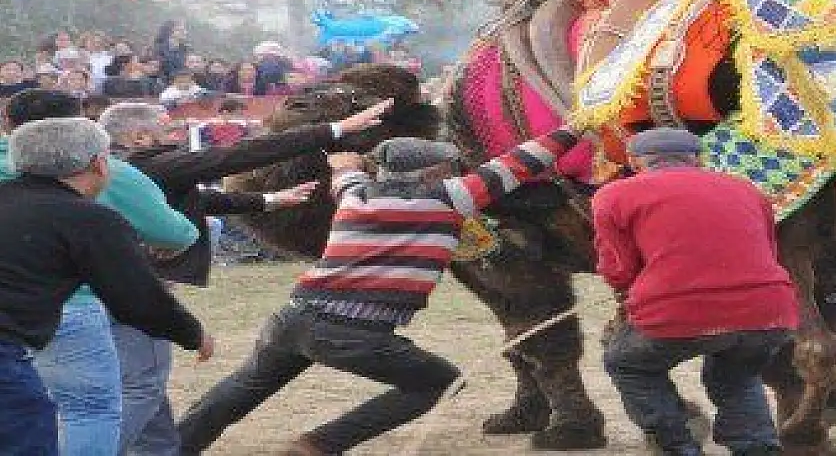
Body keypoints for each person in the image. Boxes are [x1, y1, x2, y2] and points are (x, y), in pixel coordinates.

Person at [176, 124, 583, 455]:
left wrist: (341, 161)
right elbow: (522, 162)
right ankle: (320, 445)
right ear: (428, 173)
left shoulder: (355, 196)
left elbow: (344, 174)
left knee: (239, 391)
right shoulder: (448, 198)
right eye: (444, 165)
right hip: (351, 332)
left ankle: (173, 447)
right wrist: (575, 128)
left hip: (294, 317)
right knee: (440, 382)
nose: (451, 169)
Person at [99, 98, 396, 454]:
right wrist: (335, 129)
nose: (176, 132)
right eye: (167, 127)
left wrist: (269, 200)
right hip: (135, 291)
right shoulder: (156, 165)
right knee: (142, 387)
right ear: (140, 137)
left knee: (145, 382)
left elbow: (197, 200)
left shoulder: (123, 169)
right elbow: (239, 155)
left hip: (115, 287)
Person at [0, 89, 200, 456]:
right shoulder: (88, 216)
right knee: (75, 412)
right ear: (98, 164)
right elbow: (138, 298)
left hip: (24, 338)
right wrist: (193, 334)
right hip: (35, 335)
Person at [593, 127, 799, 456]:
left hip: (677, 312)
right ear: (699, 159)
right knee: (738, 377)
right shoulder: (746, 189)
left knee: (627, 363)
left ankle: (678, 446)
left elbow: (618, 269)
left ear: (634, 162)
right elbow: (769, 251)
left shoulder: (614, 195)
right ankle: (758, 447)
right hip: (769, 310)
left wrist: (627, 294)